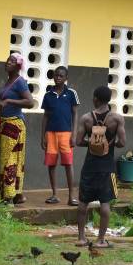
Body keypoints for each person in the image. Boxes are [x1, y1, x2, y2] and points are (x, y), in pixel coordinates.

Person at [75, 86, 126, 248]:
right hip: (107, 166)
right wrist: (109, 145)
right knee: (105, 202)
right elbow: (122, 143)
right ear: (109, 100)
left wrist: (92, 144)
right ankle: (100, 240)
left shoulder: (86, 118)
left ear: (95, 98)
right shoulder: (117, 119)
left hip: (90, 165)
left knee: (83, 202)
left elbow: (78, 141)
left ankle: (81, 238)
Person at [0, 53, 34, 205]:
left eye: (12, 61)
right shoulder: (9, 81)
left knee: (10, 160)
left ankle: (9, 197)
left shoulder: (20, 82)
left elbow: (30, 102)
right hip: (5, 124)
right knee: (7, 159)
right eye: (7, 60)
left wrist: (9, 101)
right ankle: (16, 195)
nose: (8, 63)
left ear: (18, 65)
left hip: (14, 125)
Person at [41, 66, 80, 206]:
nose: (58, 77)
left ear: (66, 78)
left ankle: (72, 197)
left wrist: (74, 134)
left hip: (66, 134)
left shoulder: (71, 93)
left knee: (68, 164)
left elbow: (75, 114)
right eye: (56, 75)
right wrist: (42, 136)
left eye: (61, 76)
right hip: (50, 134)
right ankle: (54, 194)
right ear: (53, 77)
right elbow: (45, 116)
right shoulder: (48, 94)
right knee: (51, 165)